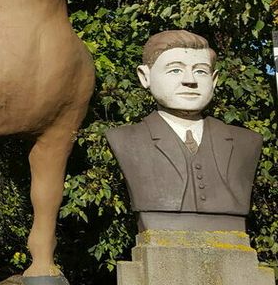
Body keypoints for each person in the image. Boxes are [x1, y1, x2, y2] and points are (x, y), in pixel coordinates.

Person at [105, 30, 263, 231]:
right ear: (145, 77)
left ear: (214, 80)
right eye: (175, 70)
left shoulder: (246, 142)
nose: (190, 80)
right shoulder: (125, 139)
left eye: (200, 71)